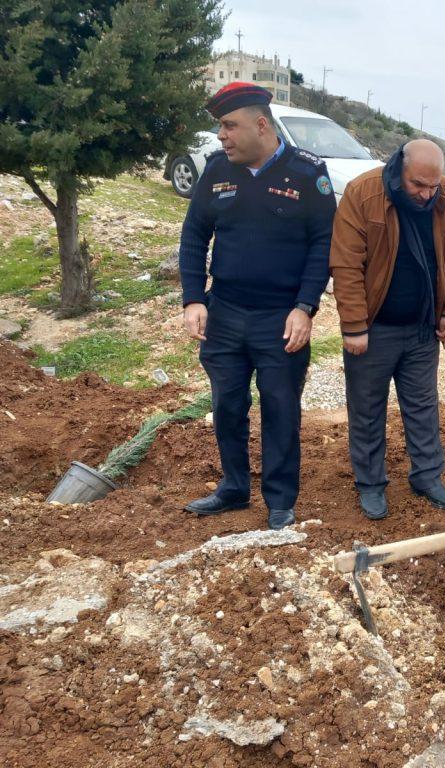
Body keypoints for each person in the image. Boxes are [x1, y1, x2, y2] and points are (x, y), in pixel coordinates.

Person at [177, 82, 335, 530]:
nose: (221, 135)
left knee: (281, 408)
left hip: (280, 318)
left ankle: (280, 500)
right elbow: (194, 234)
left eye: (230, 126)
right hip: (225, 312)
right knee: (227, 405)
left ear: (261, 125)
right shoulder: (216, 170)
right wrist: (194, 298)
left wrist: (305, 307)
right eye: (220, 127)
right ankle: (233, 487)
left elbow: (323, 244)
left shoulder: (307, 173)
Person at [330, 139, 445, 520]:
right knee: (367, 407)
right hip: (374, 328)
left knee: (423, 407)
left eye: (433, 186)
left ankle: (427, 476)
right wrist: (354, 325)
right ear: (399, 169)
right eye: (418, 185)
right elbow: (346, 264)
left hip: (423, 327)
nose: (426, 194)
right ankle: (370, 483)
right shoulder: (363, 193)